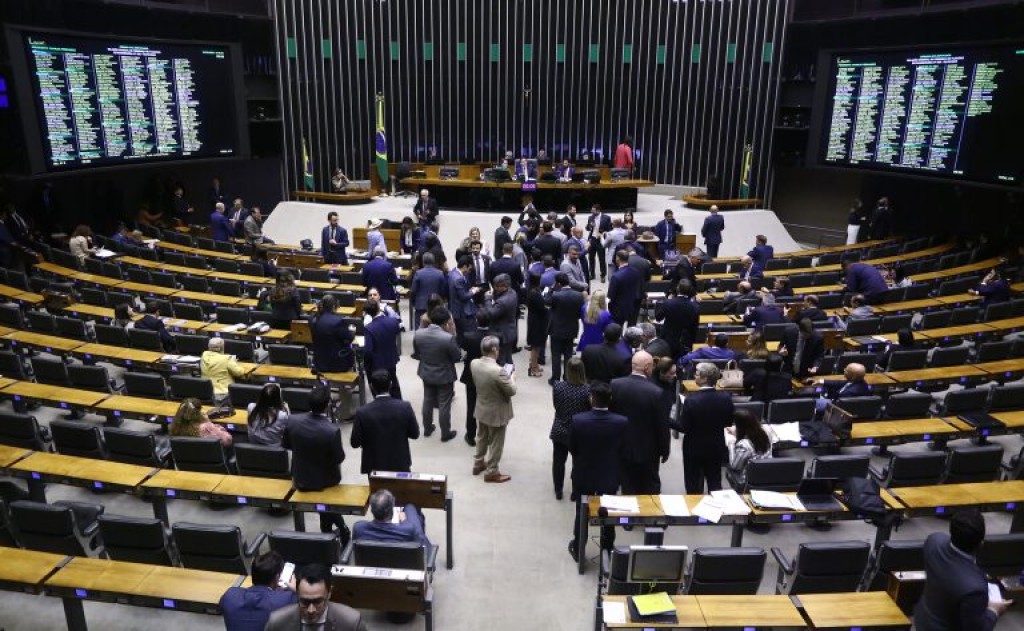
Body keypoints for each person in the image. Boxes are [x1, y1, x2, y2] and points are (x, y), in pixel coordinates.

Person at [914, 509, 1012, 630]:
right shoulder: (974, 588)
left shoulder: (933, 541)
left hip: (924, 619)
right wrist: (994, 610)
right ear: (981, 544)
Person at [567, 381, 627, 561]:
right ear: (610, 399)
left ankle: (579, 548)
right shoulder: (621, 422)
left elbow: (572, 447)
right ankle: (607, 549)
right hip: (609, 474)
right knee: (607, 513)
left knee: (581, 512)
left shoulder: (578, 420)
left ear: (591, 399)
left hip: (584, 473)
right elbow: (624, 449)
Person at [283, 383, 351, 540]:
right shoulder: (332, 430)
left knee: (325, 510)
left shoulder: (292, 420)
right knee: (326, 505)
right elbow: (339, 458)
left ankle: (335, 530)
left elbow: (286, 444)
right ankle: (339, 530)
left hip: (301, 477)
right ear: (327, 406)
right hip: (326, 480)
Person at [612, 351, 670, 494]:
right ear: (647, 367)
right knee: (650, 489)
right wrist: (665, 450)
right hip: (648, 451)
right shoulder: (657, 392)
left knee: (627, 487)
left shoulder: (615, 384)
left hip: (622, 447)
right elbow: (662, 425)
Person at [350, 370, 419, 474]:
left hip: (374, 468)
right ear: (390, 384)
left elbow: (355, 443)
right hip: (400, 464)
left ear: (371, 386)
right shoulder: (405, 407)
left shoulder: (362, 412)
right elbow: (415, 434)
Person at [680, 362, 734, 493]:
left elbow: (684, 427)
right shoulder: (726, 398)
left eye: (697, 374)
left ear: (705, 378)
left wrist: (667, 421)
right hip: (716, 445)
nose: (694, 375)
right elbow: (728, 422)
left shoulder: (691, 400)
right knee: (715, 482)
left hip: (694, 447)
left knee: (693, 483)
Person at [264, 563, 366, 631]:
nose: (311, 610)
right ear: (297, 593)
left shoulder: (351, 623)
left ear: (329, 593)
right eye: (305, 602)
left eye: (317, 602)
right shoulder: (277, 622)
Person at [471, 335, 517, 483]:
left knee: (481, 436)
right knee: (497, 442)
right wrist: (512, 378)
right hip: (497, 412)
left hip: (482, 407)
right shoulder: (499, 371)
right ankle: (492, 471)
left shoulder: (474, 363)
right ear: (494, 349)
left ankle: (478, 462)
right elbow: (512, 391)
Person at [414, 306, 461, 442]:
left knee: (427, 400)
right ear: (446, 322)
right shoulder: (448, 338)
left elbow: (417, 353)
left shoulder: (419, 333)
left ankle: (427, 428)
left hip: (426, 372)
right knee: (444, 404)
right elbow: (457, 357)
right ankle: (445, 433)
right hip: (444, 375)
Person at [219, 550, 297, 631]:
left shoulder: (230, 596)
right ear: (277, 577)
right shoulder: (287, 599)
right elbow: (303, 605)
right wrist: (295, 589)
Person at [550, 357, 590, 501]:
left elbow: (556, 405)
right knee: (578, 463)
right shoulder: (587, 390)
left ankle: (558, 490)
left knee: (558, 461)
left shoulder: (558, 387)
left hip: (560, 428)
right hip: (579, 431)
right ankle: (575, 492)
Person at [352, 489, 430, 546]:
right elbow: (418, 544)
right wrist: (404, 520)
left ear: (372, 511)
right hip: (401, 563)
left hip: (369, 562)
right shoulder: (407, 529)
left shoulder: (359, 528)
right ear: (392, 512)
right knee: (413, 511)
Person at [547, 273, 586, 384]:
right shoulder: (578, 295)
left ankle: (555, 378)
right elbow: (580, 313)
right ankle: (568, 377)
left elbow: (547, 301)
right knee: (568, 355)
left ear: (558, 283)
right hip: (571, 328)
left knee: (556, 355)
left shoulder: (556, 295)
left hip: (556, 329)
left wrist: (551, 289)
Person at [363, 299, 402, 399]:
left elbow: (368, 351)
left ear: (367, 313)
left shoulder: (369, 328)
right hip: (391, 359)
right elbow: (397, 330)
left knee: (379, 390)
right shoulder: (392, 321)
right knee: (394, 383)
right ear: (379, 308)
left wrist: (366, 366)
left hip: (377, 364)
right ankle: (398, 403)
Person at [459, 311, 488, 447]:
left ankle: (470, 435)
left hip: (472, 375)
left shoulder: (469, 336)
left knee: (471, 405)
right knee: (488, 405)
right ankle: (486, 435)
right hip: (488, 376)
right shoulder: (495, 337)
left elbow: (463, 350)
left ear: (477, 321)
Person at [726, 408, 773, 488]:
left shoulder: (744, 445)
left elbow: (735, 466)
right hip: (767, 475)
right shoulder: (766, 433)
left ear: (740, 427)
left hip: (749, 481)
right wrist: (737, 434)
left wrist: (731, 445)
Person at [310, 294, 356, 373]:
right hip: (337, 365)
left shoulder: (313, 319)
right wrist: (352, 332)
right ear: (334, 306)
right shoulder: (338, 321)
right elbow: (350, 338)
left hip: (319, 363)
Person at [655, 279, 700, 359]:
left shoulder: (668, 303)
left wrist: (660, 304)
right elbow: (695, 327)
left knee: (666, 361)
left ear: (677, 288)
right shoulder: (695, 307)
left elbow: (658, 318)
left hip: (668, 340)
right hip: (684, 341)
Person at [200, 337, 245, 405]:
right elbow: (239, 372)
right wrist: (233, 362)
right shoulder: (226, 359)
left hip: (207, 390)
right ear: (221, 348)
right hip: (223, 392)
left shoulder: (204, 355)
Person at [410, 252, 447, 329]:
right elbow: (443, 290)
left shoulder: (418, 273)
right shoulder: (440, 273)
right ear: (433, 261)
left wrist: (413, 302)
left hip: (421, 305)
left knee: (419, 328)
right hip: (436, 306)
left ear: (423, 262)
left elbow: (413, 290)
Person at [246, 383, 290, 447]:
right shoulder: (282, 415)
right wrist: (287, 409)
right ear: (278, 399)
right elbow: (288, 429)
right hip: (274, 450)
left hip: (253, 447)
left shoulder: (251, 407)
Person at [448, 255, 480, 340]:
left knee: (459, 334)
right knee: (469, 334)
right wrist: (474, 291)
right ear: (465, 266)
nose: (470, 271)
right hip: (462, 311)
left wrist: (469, 290)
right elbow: (463, 297)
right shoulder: (459, 279)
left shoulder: (452, 272)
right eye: (469, 268)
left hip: (455, 310)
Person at [524, 274, 549, 378]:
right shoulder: (534, 293)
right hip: (537, 322)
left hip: (535, 320)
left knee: (537, 346)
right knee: (535, 346)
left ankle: (535, 365)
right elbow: (542, 308)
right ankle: (533, 368)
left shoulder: (532, 291)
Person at [608, 250, 642, 326]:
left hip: (618, 310)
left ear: (618, 258)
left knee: (617, 330)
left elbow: (610, 295)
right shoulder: (635, 271)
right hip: (631, 307)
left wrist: (610, 308)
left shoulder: (616, 276)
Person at [585, 204, 612, 282]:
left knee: (602, 258)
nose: (591, 211)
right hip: (592, 239)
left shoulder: (606, 218)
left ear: (598, 210)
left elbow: (610, 229)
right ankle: (592, 274)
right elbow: (587, 228)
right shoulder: (590, 217)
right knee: (591, 257)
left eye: (593, 210)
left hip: (600, 239)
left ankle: (603, 275)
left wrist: (603, 233)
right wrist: (590, 226)